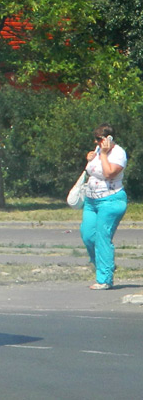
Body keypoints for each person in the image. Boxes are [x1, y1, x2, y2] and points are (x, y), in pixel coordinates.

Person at [81, 123, 128, 290]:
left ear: (108, 139)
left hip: (110, 200)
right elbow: (91, 171)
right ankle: (104, 264)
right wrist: (90, 158)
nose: (97, 142)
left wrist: (104, 155)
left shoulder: (118, 153)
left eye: (99, 139)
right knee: (87, 235)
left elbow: (109, 173)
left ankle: (104, 279)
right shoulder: (98, 151)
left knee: (102, 238)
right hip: (91, 201)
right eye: (96, 139)